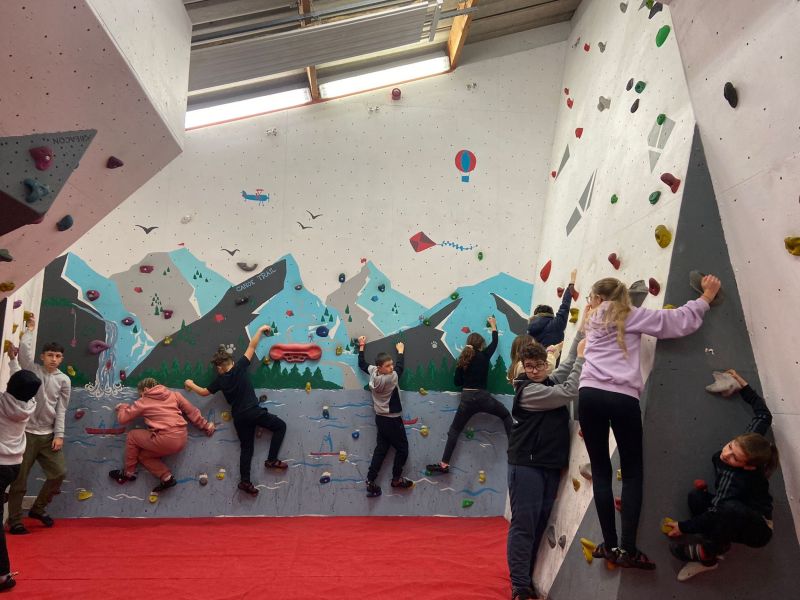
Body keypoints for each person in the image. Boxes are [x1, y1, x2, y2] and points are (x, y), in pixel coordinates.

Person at [579, 274, 721, 569]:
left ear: (595, 298)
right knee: (631, 474)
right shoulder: (630, 315)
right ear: (622, 298)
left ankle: (609, 544)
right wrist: (706, 298)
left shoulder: (590, 320)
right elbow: (676, 322)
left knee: (602, 473)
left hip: (589, 395)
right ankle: (628, 549)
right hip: (621, 397)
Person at [664, 369, 776, 571]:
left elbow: (718, 511)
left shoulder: (735, 478)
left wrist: (683, 527)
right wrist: (742, 384)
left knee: (724, 509)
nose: (726, 454)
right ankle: (719, 541)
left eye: (735, 457)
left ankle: (709, 555)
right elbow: (763, 415)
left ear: (748, 466)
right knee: (696, 498)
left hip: (757, 529)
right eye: (731, 446)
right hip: (733, 508)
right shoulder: (750, 442)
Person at [507, 332, 586, 600]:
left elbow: (564, 368)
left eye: (540, 365)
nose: (536, 370)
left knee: (539, 525)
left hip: (548, 465)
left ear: (545, 363)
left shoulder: (546, 379)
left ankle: (525, 578)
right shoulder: (529, 390)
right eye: (529, 367)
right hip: (526, 466)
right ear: (522, 367)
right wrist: (584, 359)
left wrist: (582, 333)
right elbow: (568, 391)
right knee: (524, 525)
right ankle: (519, 586)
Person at [185, 325, 287, 496]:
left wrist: (190, 384)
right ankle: (271, 460)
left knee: (247, 448)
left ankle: (245, 482)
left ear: (219, 368)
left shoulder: (220, 381)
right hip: (252, 411)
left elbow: (203, 392)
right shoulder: (239, 367)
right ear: (230, 362)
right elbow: (252, 346)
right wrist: (261, 330)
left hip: (239, 418)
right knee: (281, 426)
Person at [6, 313, 71, 535]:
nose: (54, 359)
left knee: (59, 473)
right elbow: (24, 352)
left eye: (58, 356)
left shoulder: (64, 380)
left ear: (62, 359)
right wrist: (30, 328)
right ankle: (15, 520)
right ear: (43, 356)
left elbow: (62, 408)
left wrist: (59, 434)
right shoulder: (32, 371)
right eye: (50, 355)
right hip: (26, 436)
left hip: (48, 436)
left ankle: (38, 508)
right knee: (19, 481)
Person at [427, 316, 512, 474]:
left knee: (454, 431)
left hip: (466, 400)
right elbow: (495, 343)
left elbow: (457, 382)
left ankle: (444, 464)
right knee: (506, 416)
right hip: (483, 397)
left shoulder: (463, 359)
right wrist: (493, 325)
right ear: (480, 345)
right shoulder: (484, 356)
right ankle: (515, 451)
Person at [108, 377, 215, 496]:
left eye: (141, 394)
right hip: (181, 438)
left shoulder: (143, 401)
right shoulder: (174, 395)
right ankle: (167, 478)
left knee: (132, 436)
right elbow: (191, 411)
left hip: (164, 439)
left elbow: (122, 419)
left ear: (146, 389)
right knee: (144, 456)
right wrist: (206, 425)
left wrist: (123, 407)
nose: (140, 396)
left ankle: (128, 473)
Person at [0, 370, 41, 591]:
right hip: (13, 465)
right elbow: (23, 385)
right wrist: (14, 359)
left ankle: (3, 575)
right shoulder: (29, 405)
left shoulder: (2, 403)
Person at [358, 336, 413, 497]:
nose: (391, 367)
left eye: (391, 365)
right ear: (380, 368)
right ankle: (396, 479)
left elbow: (362, 364)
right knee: (403, 449)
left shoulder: (373, 372)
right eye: (387, 366)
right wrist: (401, 352)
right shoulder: (391, 378)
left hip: (381, 419)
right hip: (393, 419)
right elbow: (400, 367)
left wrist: (362, 346)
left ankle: (370, 480)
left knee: (381, 450)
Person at [527, 269, 577, 348]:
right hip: (553, 359)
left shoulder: (529, 332)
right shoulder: (555, 324)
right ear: (550, 314)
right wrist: (572, 282)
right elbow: (565, 306)